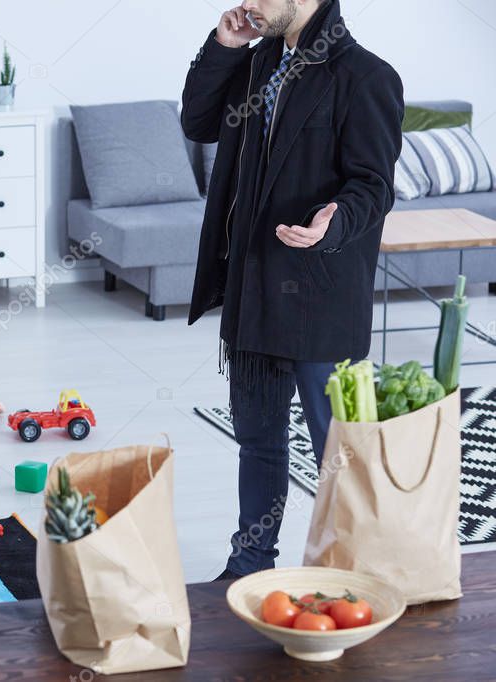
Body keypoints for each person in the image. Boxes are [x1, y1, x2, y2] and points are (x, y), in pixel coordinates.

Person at [180, 0, 403, 578]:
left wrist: (335, 220)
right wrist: (223, 48)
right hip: (252, 287)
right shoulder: (254, 66)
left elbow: (374, 186)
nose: (247, 2)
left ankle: (352, 568)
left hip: (320, 291)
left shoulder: (368, 77)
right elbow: (198, 124)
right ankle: (250, 563)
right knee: (258, 442)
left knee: (337, 450)